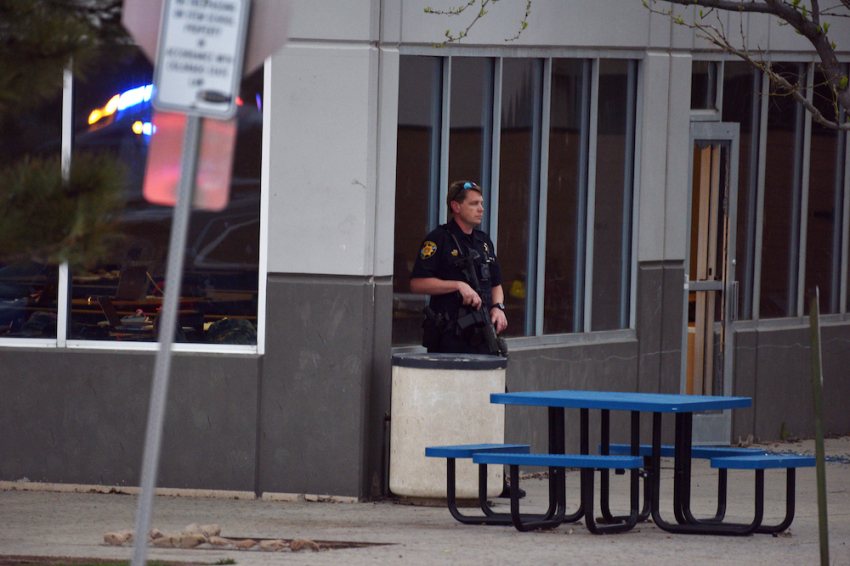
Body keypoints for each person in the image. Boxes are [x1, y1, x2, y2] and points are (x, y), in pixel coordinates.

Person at [410, 180, 507, 354]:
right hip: (449, 338)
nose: (481, 209)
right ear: (456, 207)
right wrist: (458, 285)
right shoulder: (439, 239)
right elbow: (417, 284)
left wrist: (498, 307)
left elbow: (496, 284)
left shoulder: (483, 241)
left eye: (481, 203)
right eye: (474, 204)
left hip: (482, 335)